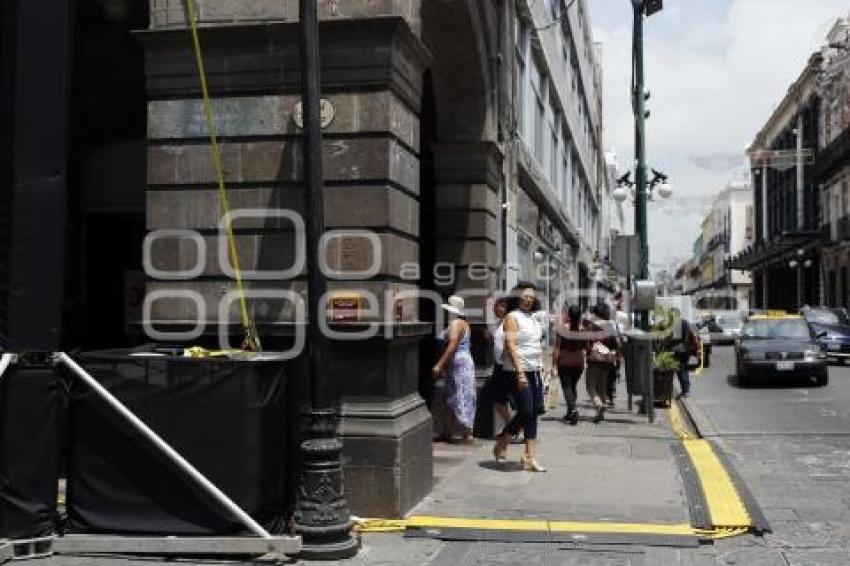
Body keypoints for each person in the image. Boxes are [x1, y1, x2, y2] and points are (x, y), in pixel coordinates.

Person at [493, 282, 546, 472]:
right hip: (516, 372)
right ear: (517, 297)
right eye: (525, 295)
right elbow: (510, 345)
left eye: (532, 296)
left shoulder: (532, 318)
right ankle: (503, 441)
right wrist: (520, 372)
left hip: (535, 371)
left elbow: (536, 344)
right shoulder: (512, 317)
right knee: (525, 411)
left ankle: (529, 457)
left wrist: (541, 365)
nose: (529, 299)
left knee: (533, 413)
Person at [432, 295, 476, 444]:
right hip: (459, 363)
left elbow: (452, 346)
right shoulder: (461, 323)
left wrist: (440, 365)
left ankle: (467, 432)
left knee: (460, 395)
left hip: (458, 363)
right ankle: (448, 431)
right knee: (451, 397)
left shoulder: (456, 324)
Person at [483, 295, 515, 435]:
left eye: (501, 306)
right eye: (496, 306)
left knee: (506, 400)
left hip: (508, 367)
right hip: (499, 367)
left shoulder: (511, 323)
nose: (497, 308)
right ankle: (510, 427)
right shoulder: (497, 324)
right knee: (498, 400)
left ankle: (513, 428)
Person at [552, 305, 588, 425]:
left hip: (564, 361)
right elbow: (586, 347)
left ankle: (573, 409)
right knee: (572, 387)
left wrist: (553, 365)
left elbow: (556, 348)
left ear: (568, 315)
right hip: (579, 362)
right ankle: (569, 412)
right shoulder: (584, 330)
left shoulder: (562, 329)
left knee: (567, 387)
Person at [585, 304, 620, 423]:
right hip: (607, 360)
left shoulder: (591, 326)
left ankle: (598, 403)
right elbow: (616, 344)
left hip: (595, 359)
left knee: (590, 385)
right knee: (602, 387)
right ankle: (601, 416)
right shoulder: (611, 326)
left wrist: (589, 351)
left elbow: (587, 343)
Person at [671, 308, 698, 399]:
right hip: (685, 350)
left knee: (681, 371)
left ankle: (686, 390)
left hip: (679, 351)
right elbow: (689, 336)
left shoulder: (676, 324)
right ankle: (685, 390)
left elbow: (676, 339)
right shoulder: (685, 322)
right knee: (683, 370)